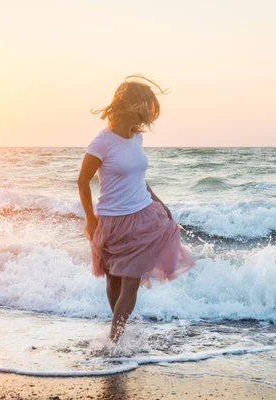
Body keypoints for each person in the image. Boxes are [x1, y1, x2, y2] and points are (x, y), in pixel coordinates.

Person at [77, 75, 195, 343]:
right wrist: (90, 220)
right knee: (114, 282)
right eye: (144, 107)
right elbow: (83, 181)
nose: (147, 116)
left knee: (130, 283)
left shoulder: (136, 139)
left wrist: (160, 204)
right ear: (130, 106)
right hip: (112, 222)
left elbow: (139, 179)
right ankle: (118, 336)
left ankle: (114, 341)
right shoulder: (102, 142)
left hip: (143, 218)